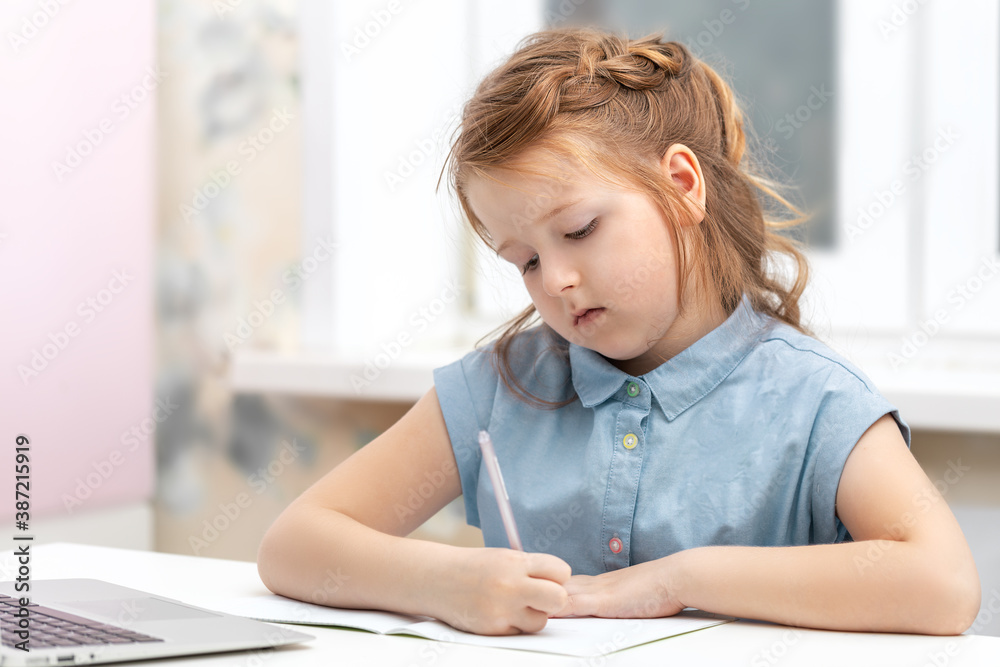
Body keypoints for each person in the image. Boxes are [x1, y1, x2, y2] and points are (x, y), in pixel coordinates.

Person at [257, 27, 980, 637]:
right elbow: (294, 544)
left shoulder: (813, 398)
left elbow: (943, 584)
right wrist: (447, 581)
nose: (555, 280)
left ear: (683, 186)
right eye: (526, 260)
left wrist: (678, 580)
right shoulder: (500, 387)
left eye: (579, 230)